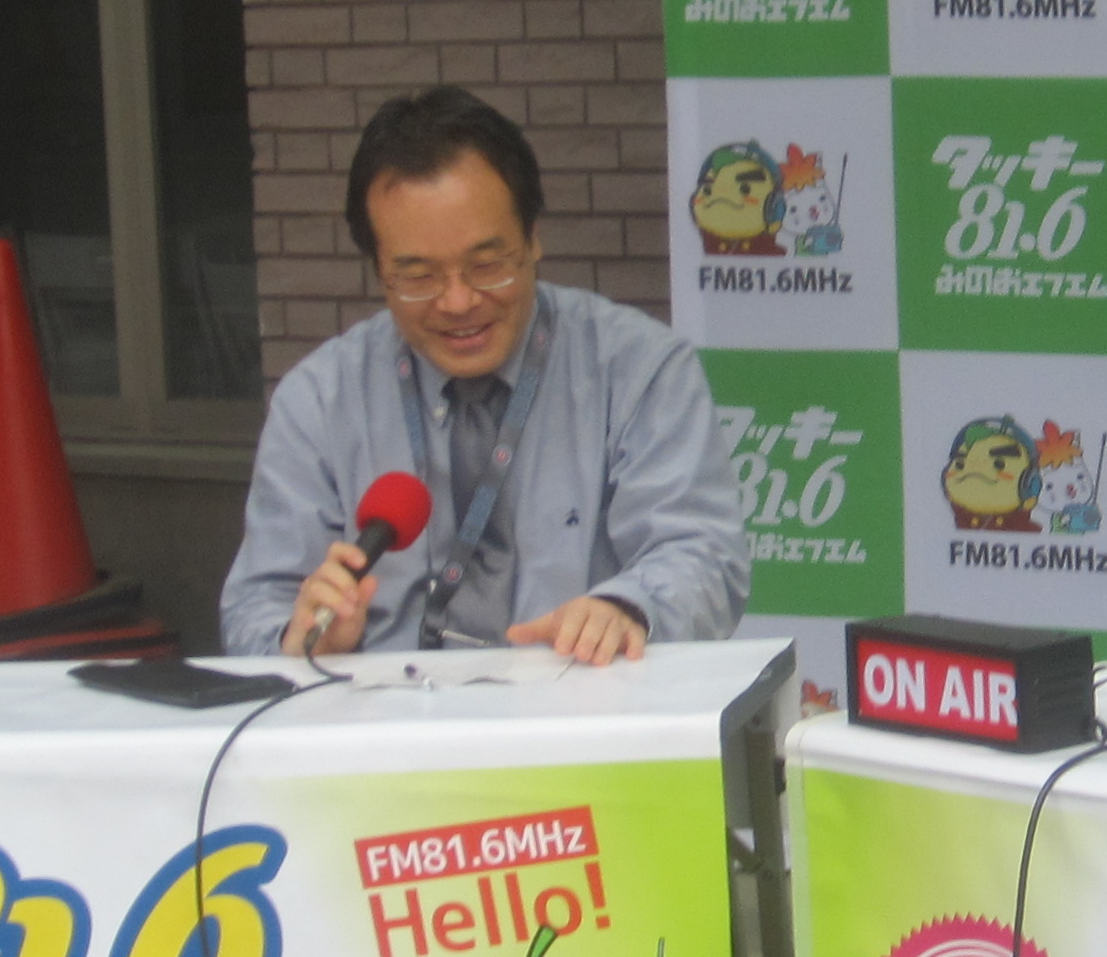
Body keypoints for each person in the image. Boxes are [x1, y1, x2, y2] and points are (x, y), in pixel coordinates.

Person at [222, 86, 746, 668]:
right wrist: (302, 637)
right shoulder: (319, 400)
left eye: (487, 265)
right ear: (378, 269)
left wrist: (627, 609)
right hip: (383, 714)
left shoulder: (638, 369)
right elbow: (253, 608)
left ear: (533, 237)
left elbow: (704, 556)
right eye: (417, 276)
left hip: (579, 702)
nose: (458, 301)